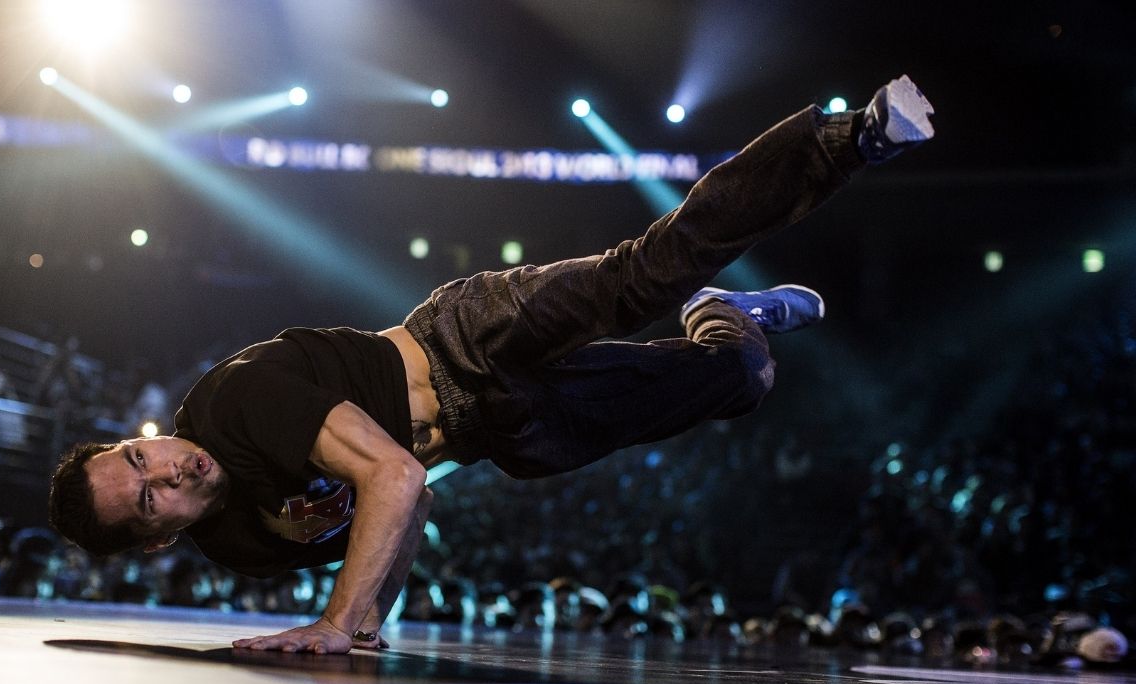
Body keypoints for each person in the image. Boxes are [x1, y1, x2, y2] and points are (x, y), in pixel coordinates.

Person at [48, 76, 935, 654]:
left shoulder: (234, 404)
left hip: (467, 339)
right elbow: (412, 502)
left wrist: (332, 625)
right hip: (508, 428)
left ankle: (848, 139)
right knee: (740, 381)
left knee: (644, 275)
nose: (164, 470)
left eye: (138, 456)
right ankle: (727, 318)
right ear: (161, 536)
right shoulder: (237, 544)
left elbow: (393, 475)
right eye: (150, 497)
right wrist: (361, 631)